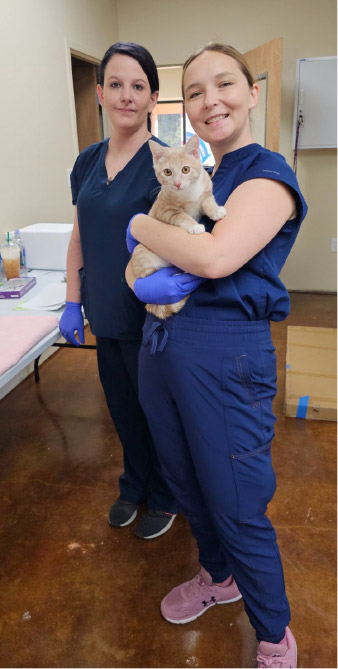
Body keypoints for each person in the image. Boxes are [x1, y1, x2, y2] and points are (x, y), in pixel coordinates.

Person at [125, 43, 307, 667]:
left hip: (225, 357)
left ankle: (275, 634)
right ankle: (218, 578)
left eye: (224, 83)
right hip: (164, 345)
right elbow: (150, 267)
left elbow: (211, 258)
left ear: (253, 91)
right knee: (184, 481)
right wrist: (138, 269)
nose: (210, 101)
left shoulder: (267, 174)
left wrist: (140, 229)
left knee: (235, 500)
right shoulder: (199, 169)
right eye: (196, 91)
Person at [59, 42, 197, 540]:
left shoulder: (165, 160)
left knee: (158, 412)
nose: (126, 96)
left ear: (153, 98)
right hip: (105, 314)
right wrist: (74, 301)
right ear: (99, 93)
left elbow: (188, 229)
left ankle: (166, 493)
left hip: (153, 316)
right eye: (115, 84)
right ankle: (134, 483)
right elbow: (79, 235)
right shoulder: (86, 163)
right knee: (121, 409)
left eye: (138, 86)